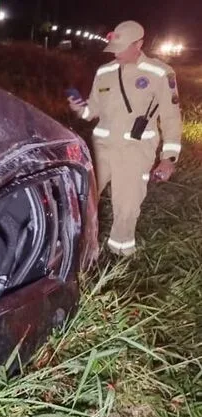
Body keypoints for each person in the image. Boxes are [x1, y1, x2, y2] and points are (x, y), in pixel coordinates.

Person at [69, 21, 182, 257]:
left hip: (135, 149)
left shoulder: (160, 72)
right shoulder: (104, 72)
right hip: (101, 149)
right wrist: (80, 109)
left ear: (139, 44)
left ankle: (120, 254)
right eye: (113, 47)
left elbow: (171, 118)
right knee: (84, 199)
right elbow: (93, 112)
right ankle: (83, 249)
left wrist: (169, 158)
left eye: (121, 48)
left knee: (127, 205)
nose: (115, 53)